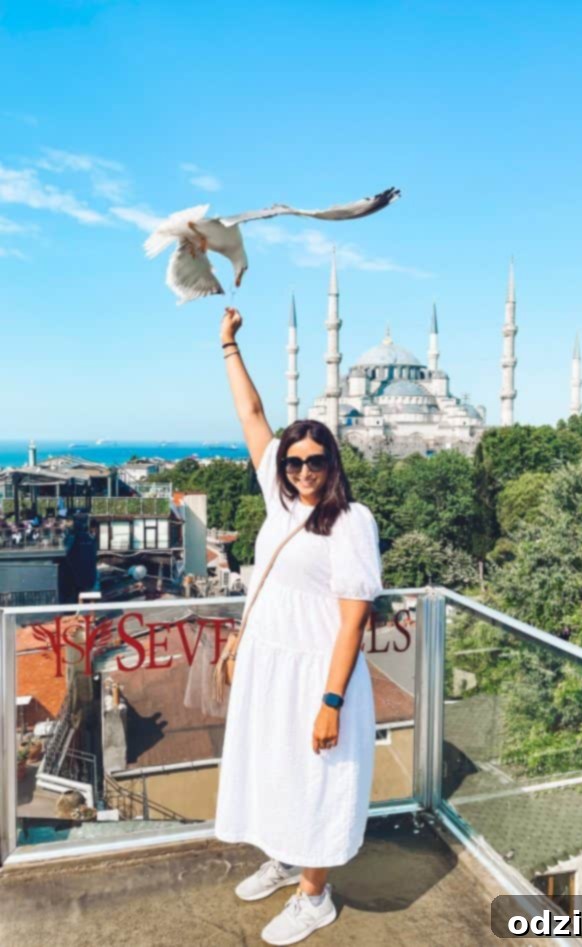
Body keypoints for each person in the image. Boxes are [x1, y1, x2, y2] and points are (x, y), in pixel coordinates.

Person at [213, 306, 382, 946]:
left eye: (314, 461)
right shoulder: (280, 501)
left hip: (318, 670)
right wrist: (228, 345)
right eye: (294, 462)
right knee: (276, 767)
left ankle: (316, 895)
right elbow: (253, 418)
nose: (303, 471)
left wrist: (331, 700)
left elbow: (353, 620)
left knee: (318, 777)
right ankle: (285, 859)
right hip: (269, 659)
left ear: (332, 463)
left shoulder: (351, 521)